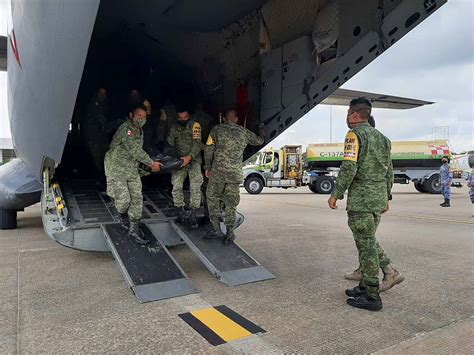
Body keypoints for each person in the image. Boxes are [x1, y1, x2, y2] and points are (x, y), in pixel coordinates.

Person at [327, 97, 403, 311]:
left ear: (354, 114)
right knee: (366, 241)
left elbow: (349, 167)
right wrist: (387, 196)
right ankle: (363, 286)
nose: (347, 117)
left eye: (348, 113)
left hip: (361, 199)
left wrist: (336, 193)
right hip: (377, 199)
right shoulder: (383, 138)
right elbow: (389, 170)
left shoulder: (354, 135)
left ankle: (372, 294)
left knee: (366, 245)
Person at [204, 108, 265, 244]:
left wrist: (207, 167)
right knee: (231, 204)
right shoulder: (244, 132)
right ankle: (230, 233)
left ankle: (215, 229)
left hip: (218, 173)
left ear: (224, 118)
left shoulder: (216, 130)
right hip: (234, 175)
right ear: (236, 119)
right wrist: (262, 130)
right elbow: (259, 141)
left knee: (213, 199)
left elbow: (208, 150)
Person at [104, 105, 161, 244]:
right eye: (138, 116)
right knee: (124, 202)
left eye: (144, 117)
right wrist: (150, 163)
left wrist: (144, 166)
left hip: (131, 168)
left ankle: (134, 228)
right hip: (116, 167)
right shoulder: (127, 129)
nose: (141, 119)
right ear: (131, 115)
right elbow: (134, 150)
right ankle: (119, 211)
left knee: (137, 198)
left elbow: (136, 154)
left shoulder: (139, 129)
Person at [167, 108, 203, 228]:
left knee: (195, 186)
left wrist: (190, 157)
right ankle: (180, 211)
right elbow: (170, 145)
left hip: (194, 160)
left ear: (189, 116)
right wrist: (176, 158)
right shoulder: (174, 128)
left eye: (185, 118)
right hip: (179, 161)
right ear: (177, 117)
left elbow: (198, 143)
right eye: (180, 118)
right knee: (176, 185)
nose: (182, 120)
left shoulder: (195, 126)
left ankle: (193, 214)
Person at [85, 88, 109, 174]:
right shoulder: (94, 105)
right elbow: (100, 119)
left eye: (104, 93)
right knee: (97, 158)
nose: (103, 95)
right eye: (101, 93)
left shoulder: (105, 105)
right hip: (94, 136)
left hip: (102, 137)